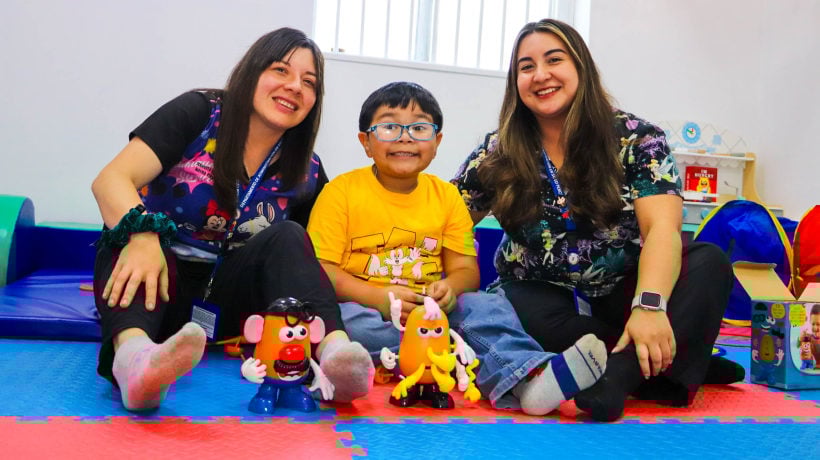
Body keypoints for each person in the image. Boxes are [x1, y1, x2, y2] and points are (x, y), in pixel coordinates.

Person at [452, 19, 744, 421]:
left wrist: (650, 308)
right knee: (506, 305)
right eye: (526, 66)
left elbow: (661, 228)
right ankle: (676, 360)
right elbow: (446, 217)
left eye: (554, 59)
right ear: (515, 82)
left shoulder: (638, 139)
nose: (541, 75)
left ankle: (620, 375)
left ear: (581, 67)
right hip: (542, 298)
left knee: (708, 261)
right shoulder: (499, 149)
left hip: (625, 291)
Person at [91, 28, 373, 411]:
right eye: (281, 70)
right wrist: (142, 238)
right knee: (120, 234)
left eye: (309, 83)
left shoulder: (306, 168)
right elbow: (111, 180)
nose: (294, 87)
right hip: (156, 278)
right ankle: (135, 364)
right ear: (252, 72)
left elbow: (316, 258)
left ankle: (336, 358)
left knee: (290, 236)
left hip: (229, 305)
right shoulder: (199, 111)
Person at [307, 81, 607, 415]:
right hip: (369, 309)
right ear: (366, 141)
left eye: (419, 128)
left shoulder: (447, 197)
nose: (405, 137)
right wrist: (378, 297)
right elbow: (323, 272)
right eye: (390, 126)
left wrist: (449, 288)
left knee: (487, 307)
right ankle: (450, 357)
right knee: (344, 322)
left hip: (435, 315)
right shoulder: (341, 193)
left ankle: (531, 376)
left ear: (436, 142)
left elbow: (466, 271)